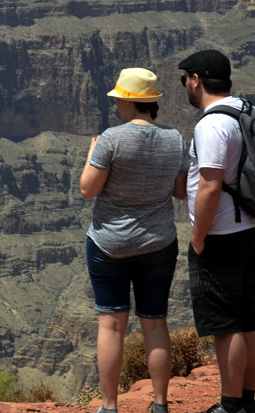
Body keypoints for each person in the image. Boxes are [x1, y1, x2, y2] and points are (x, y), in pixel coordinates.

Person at [80, 68, 189, 413]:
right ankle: (159, 405)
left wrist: (91, 154)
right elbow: (181, 192)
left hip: (109, 244)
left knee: (111, 326)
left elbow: (87, 189)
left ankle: (110, 407)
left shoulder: (111, 139)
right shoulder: (175, 139)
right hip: (158, 243)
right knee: (154, 323)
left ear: (128, 101)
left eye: (117, 99)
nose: (114, 104)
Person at [178, 50, 255, 413]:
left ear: (197, 79)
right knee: (247, 315)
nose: (185, 85)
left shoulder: (211, 123)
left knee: (225, 323)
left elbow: (210, 185)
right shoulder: (248, 112)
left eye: (185, 78)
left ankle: (230, 405)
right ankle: (246, 401)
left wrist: (198, 235)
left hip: (222, 235)